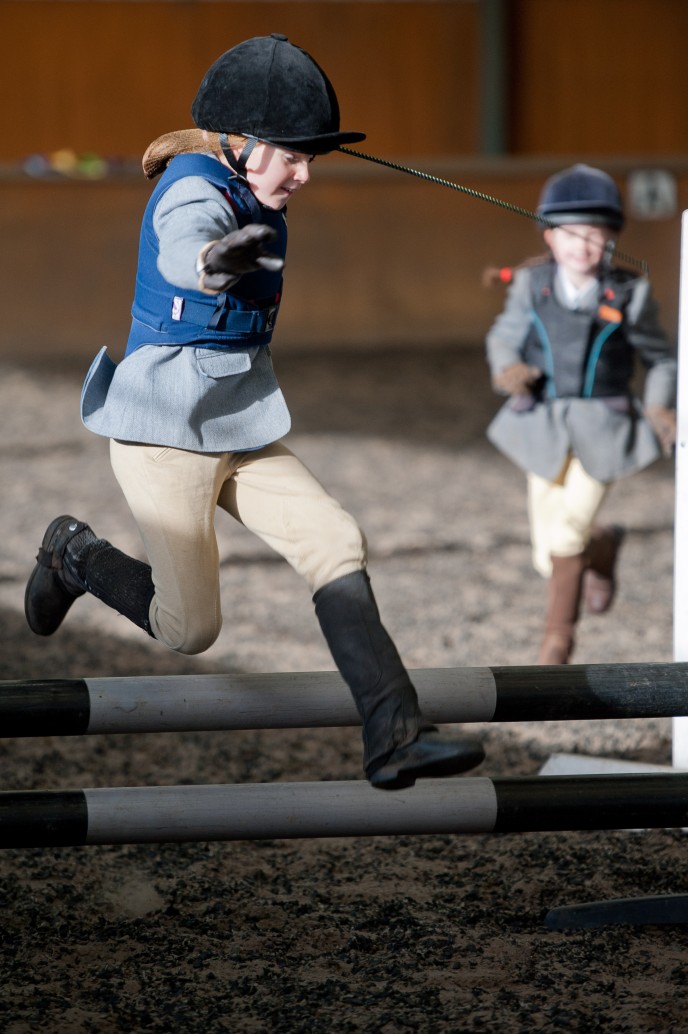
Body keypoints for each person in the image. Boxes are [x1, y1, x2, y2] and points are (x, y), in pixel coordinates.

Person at [25, 34, 485, 788]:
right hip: (162, 435)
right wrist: (215, 262)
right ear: (241, 144)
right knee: (190, 629)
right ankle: (73, 553)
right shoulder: (193, 191)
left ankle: (394, 730)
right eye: (294, 157)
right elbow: (185, 248)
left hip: (238, 424)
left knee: (335, 538)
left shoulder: (257, 186)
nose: (304, 175)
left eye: (312, 159)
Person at [484, 163, 676, 665]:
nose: (582, 246)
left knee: (566, 531)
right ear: (549, 237)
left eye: (595, 235)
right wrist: (508, 368)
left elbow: (662, 357)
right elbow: (503, 334)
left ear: (612, 238)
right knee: (547, 555)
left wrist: (658, 404)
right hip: (540, 421)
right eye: (570, 234)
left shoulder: (629, 294)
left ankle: (558, 640)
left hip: (604, 424)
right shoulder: (531, 285)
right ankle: (604, 545)